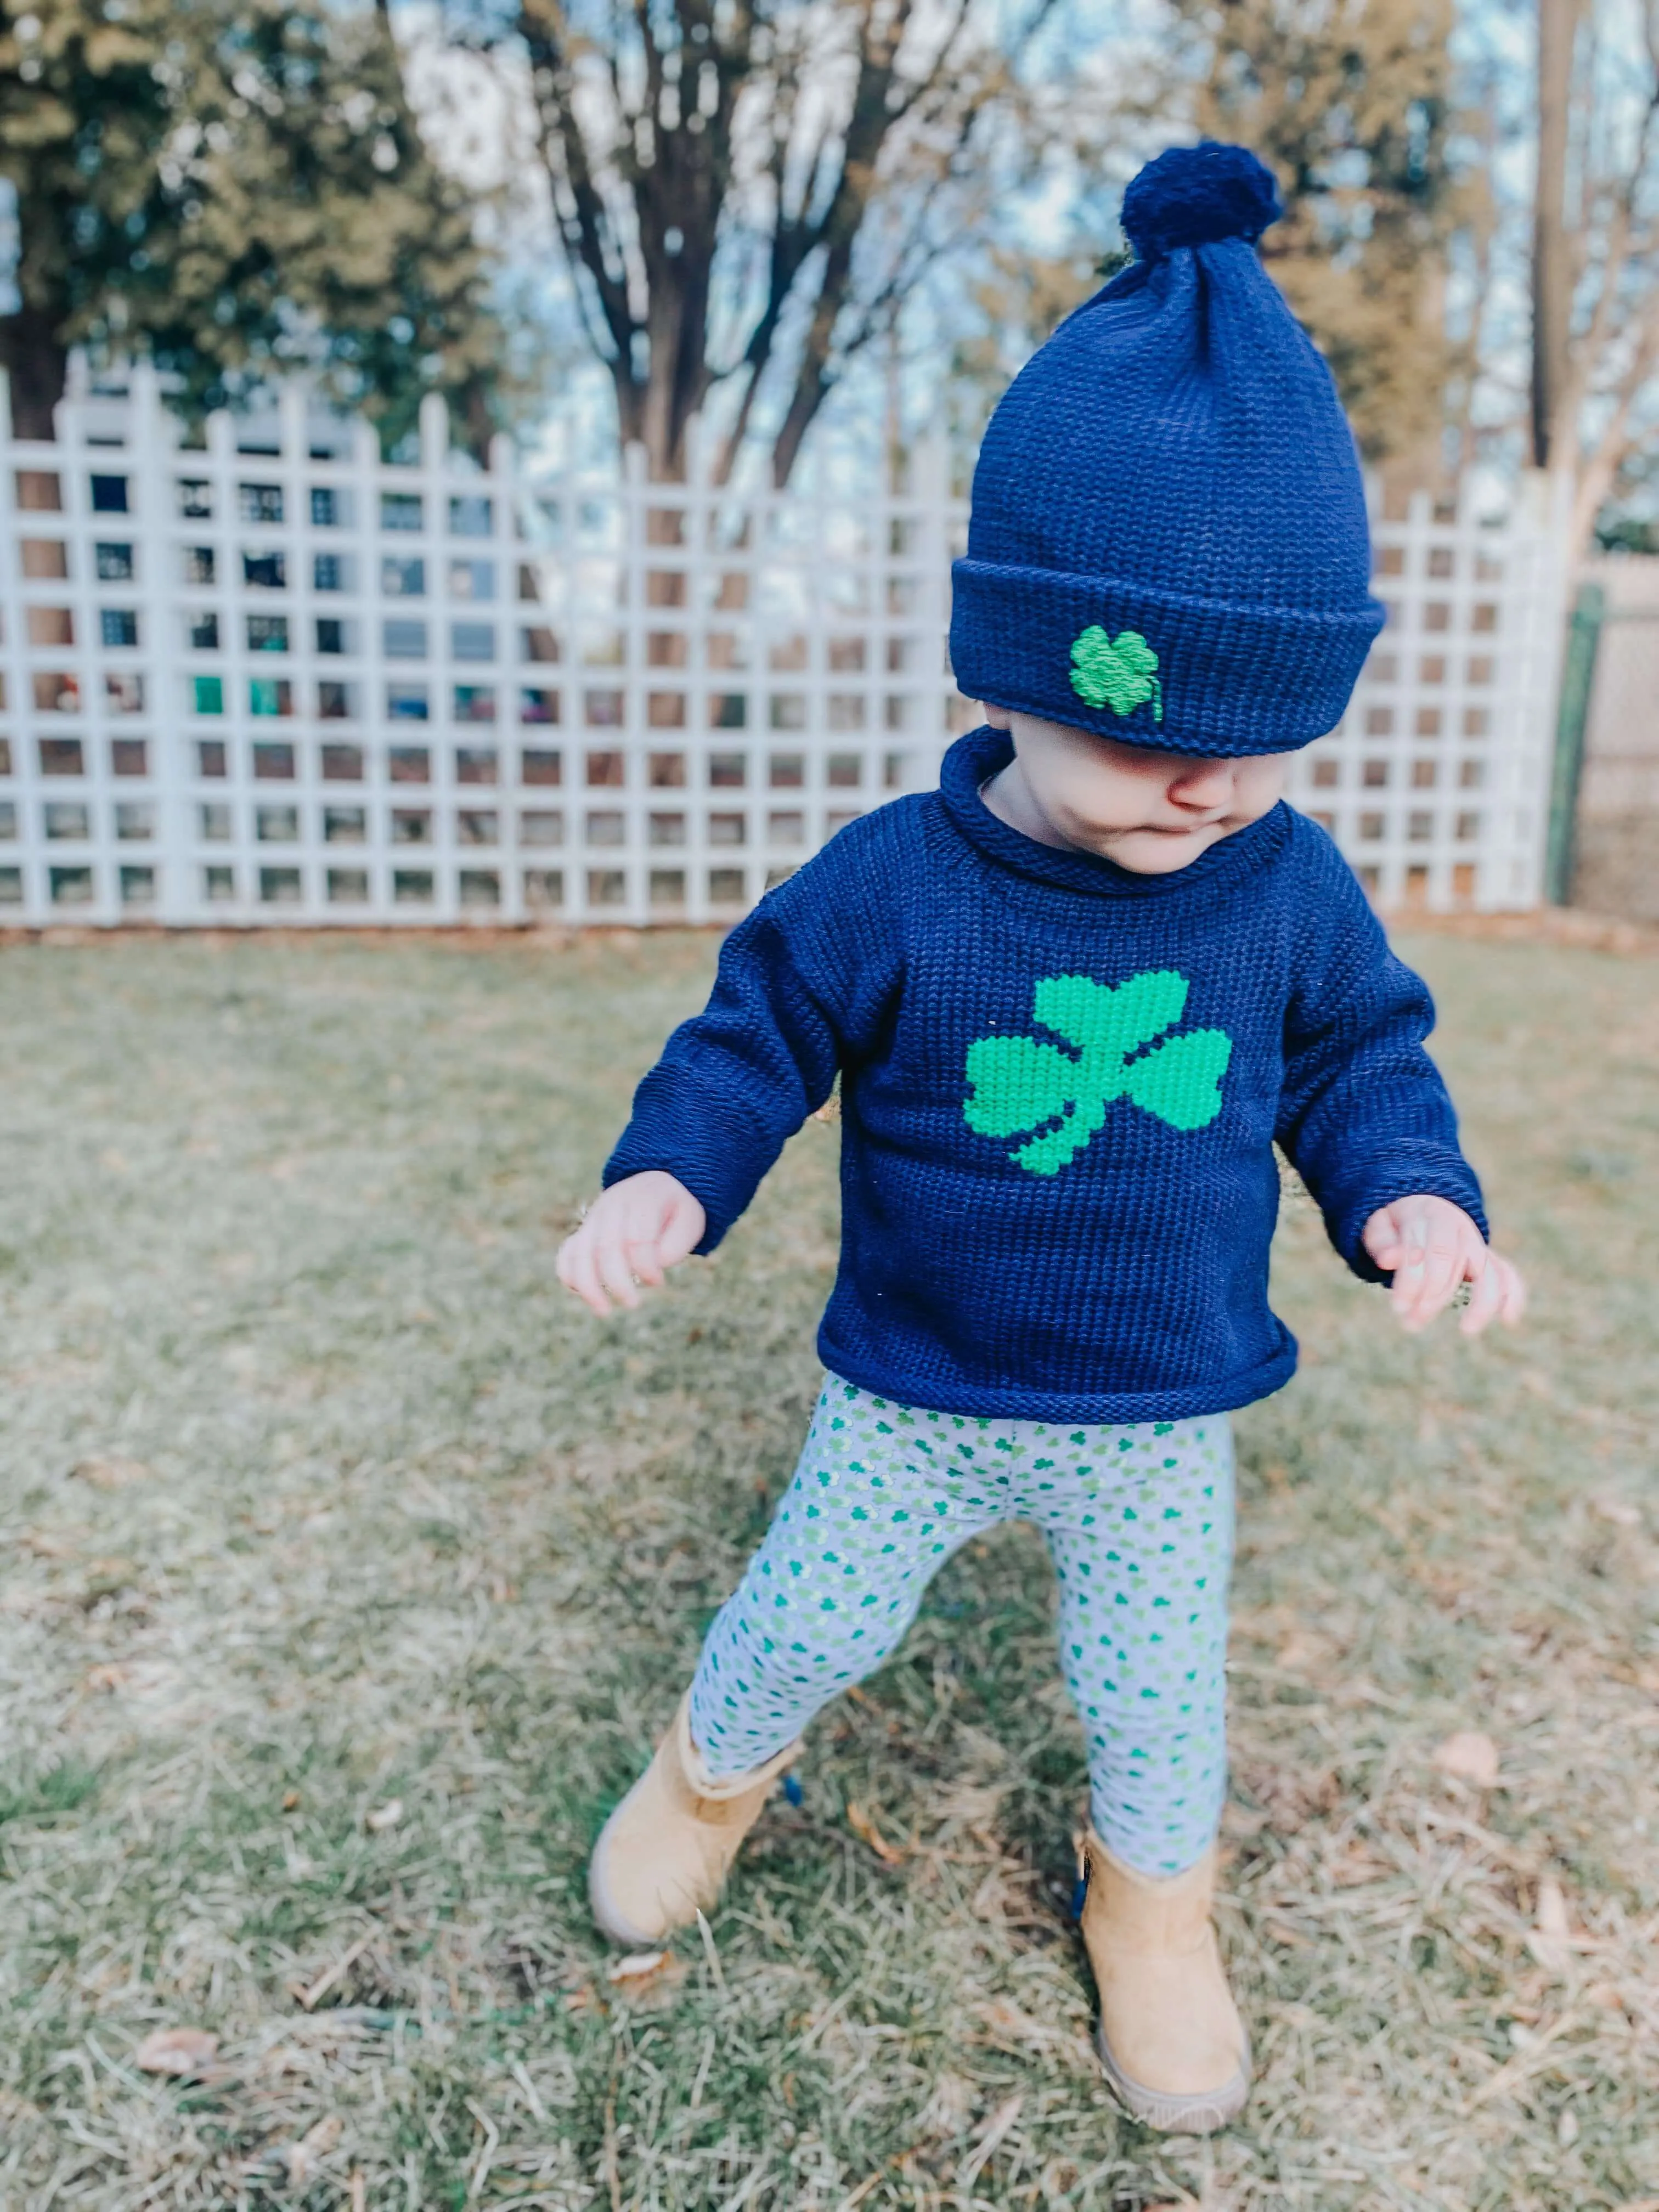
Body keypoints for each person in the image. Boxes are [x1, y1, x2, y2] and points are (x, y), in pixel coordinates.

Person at [555, 140, 1526, 2136]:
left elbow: (1358, 1057)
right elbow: (760, 1033)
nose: (1206, 785)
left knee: (1160, 1696)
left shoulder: (1280, 888)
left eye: (1258, 747)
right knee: (808, 1612)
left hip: (1155, 1404)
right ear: (1011, 670)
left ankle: (1151, 1904)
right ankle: (709, 1776)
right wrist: (673, 1167)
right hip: (919, 1380)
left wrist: (1415, 1195)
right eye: (1153, 732)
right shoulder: (897, 883)